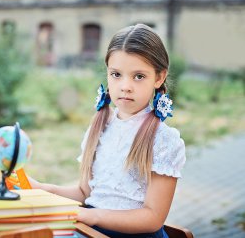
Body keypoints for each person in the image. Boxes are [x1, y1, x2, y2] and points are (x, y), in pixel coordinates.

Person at [29, 23, 186, 238]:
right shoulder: (100, 128)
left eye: (138, 76)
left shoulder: (164, 140)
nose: (125, 86)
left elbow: (152, 217)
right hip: (90, 230)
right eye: (116, 74)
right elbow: (85, 193)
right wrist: (42, 189)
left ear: (159, 78)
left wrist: (91, 216)